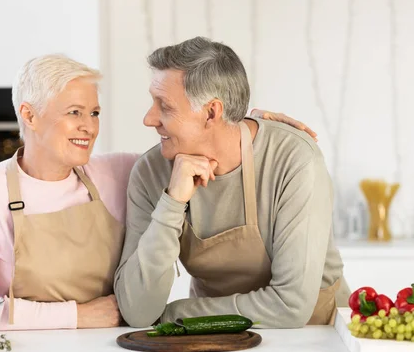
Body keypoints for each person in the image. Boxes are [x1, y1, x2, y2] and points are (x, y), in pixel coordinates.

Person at [0, 53, 315, 330]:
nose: (89, 127)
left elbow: (202, 139)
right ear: (29, 115)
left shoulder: (118, 171)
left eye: (94, 113)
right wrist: (77, 315)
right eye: (75, 112)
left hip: (113, 351)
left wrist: (247, 125)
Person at [114, 37, 350, 329]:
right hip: (213, 338)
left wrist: (178, 315)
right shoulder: (150, 173)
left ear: (212, 112)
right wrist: (172, 203)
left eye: (165, 106)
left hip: (315, 337)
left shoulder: (293, 159)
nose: (149, 119)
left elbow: (291, 306)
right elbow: (137, 312)